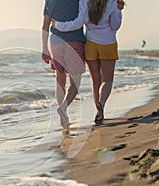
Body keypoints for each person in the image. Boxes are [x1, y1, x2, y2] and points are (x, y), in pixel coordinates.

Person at [52, 0, 125, 125]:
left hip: (90, 45)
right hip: (108, 43)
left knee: (95, 81)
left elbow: (79, 22)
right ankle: (100, 106)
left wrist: (58, 25)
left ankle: (98, 110)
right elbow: (115, 25)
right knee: (107, 80)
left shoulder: (84, 1)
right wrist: (118, 11)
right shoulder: (112, 2)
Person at [42, 0, 86, 128]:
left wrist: (44, 48)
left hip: (55, 42)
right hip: (74, 41)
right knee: (75, 83)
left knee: (59, 81)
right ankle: (63, 108)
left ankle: (64, 117)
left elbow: (45, 26)